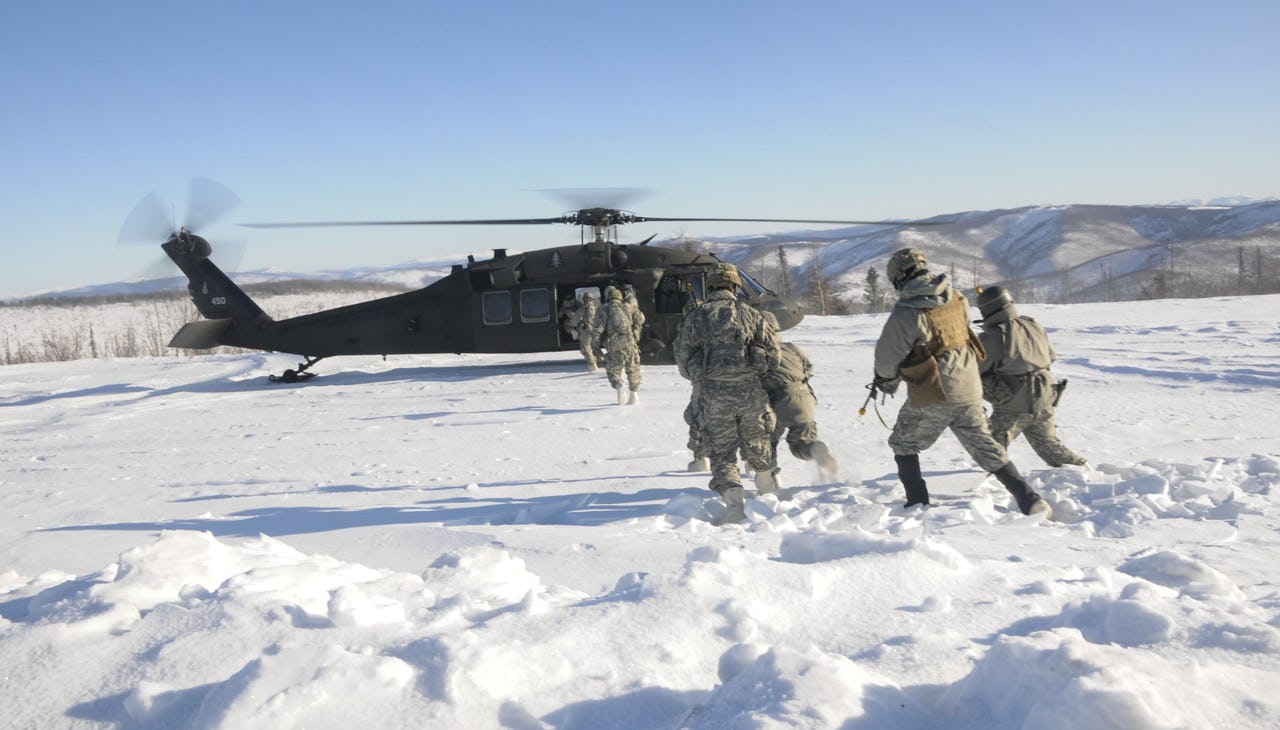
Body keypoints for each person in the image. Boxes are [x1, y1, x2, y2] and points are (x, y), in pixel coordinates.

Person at [872, 248, 1052, 518]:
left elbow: (888, 357)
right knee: (984, 445)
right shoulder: (956, 298)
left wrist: (885, 381)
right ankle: (1030, 499)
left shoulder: (906, 312)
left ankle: (917, 504)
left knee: (902, 442)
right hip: (969, 386)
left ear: (898, 277)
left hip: (936, 389)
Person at [674, 263, 782, 523]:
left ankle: (733, 501)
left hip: (713, 394)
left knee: (722, 453)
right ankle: (768, 490)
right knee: (758, 443)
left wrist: (700, 375)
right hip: (751, 393)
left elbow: (682, 357)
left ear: (710, 286)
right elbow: (774, 357)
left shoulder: (697, 317)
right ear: (735, 286)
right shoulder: (751, 314)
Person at [975, 285, 1087, 467]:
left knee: (989, 449)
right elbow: (1051, 357)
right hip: (1046, 397)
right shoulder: (1033, 323)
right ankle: (1084, 470)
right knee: (1049, 445)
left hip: (1014, 405)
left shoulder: (993, 336)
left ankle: (994, 484)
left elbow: (972, 370)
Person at [762, 339, 838, 477]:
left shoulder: (757, 350)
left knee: (767, 441)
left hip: (779, 401)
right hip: (805, 399)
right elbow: (807, 367)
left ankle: (769, 477)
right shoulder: (790, 347)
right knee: (801, 442)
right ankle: (814, 449)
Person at [598, 286, 644, 405]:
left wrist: (596, 345)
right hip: (629, 340)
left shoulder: (604, 309)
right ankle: (634, 395)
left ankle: (618, 384)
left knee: (613, 369)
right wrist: (635, 333)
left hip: (613, 343)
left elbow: (598, 329)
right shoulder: (628, 306)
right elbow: (640, 318)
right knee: (633, 368)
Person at [575, 291, 603, 372]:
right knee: (595, 346)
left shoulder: (583, 309)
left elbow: (574, 320)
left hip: (587, 331)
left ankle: (592, 364)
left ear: (584, 300)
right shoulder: (597, 307)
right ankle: (602, 360)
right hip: (597, 330)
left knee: (586, 348)